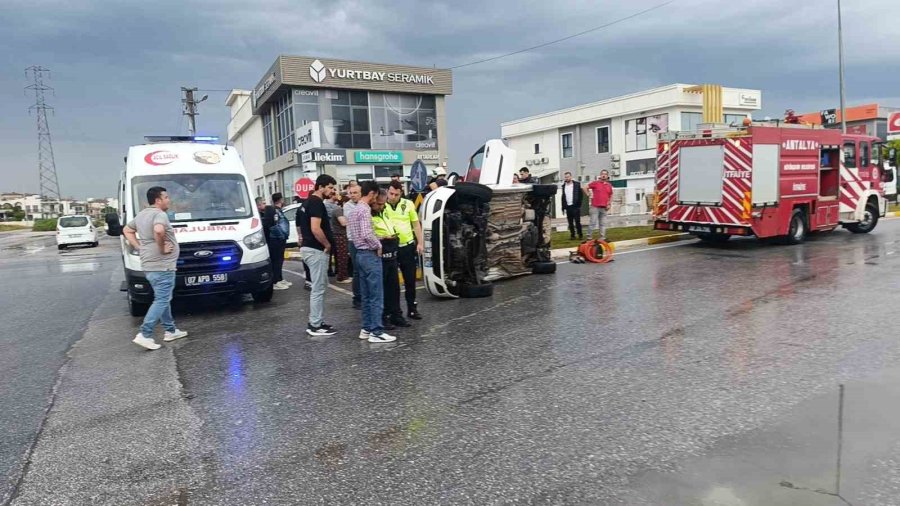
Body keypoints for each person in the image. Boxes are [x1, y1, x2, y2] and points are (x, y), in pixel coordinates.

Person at [122, 186, 188, 350]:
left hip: (150, 264)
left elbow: (126, 230)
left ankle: (170, 330)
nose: (168, 200)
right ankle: (145, 334)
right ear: (158, 200)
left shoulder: (142, 214)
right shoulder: (160, 214)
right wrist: (162, 248)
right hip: (162, 265)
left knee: (162, 298)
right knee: (162, 299)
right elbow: (159, 231)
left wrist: (139, 246)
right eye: (166, 197)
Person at [347, 181, 397, 343]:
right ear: (372, 193)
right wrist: (378, 245)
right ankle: (376, 330)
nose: (376, 199)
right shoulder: (365, 210)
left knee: (366, 295)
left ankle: (367, 328)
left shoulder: (354, 210)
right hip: (369, 255)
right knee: (376, 294)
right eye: (376, 195)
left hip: (359, 254)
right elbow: (368, 234)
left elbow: (358, 235)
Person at [296, 174, 338, 337]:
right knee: (318, 288)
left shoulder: (306, 203)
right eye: (330, 187)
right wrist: (327, 244)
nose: (332, 191)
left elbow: (300, 227)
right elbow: (315, 228)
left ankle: (317, 321)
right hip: (316, 250)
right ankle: (315, 325)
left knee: (319, 286)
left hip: (309, 249)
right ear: (321, 187)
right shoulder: (316, 202)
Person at [385, 181, 423, 320]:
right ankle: (395, 311)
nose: (393, 196)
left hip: (407, 246)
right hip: (390, 247)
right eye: (391, 193)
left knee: (410, 279)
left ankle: (412, 308)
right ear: (387, 192)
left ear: (401, 193)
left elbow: (416, 224)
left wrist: (420, 243)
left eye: (396, 194)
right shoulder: (383, 205)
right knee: (392, 282)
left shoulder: (408, 204)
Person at [371, 192, 409, 329]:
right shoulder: (368, 215)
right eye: (379, 203)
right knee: (382, 288)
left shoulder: (384, 211)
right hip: (379, 252)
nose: (382, 206)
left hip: (391, 251)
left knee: (394, 287)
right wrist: (382, 238)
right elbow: (368, 235)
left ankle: (396, 314)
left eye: (383, 203)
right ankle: (383, 316)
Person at [263, 193, 291, 290]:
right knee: (277, 260)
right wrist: (281, 236)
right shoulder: (274, 211)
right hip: (276, 239)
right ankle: (275, 281)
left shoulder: (278, 210)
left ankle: (279, 278)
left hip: (279, 239)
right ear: (281, 200)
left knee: (280, 260)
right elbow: (273, 226)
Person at [343, 185, 362, 309]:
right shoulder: (347, 206)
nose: (353, 195)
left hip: (365, 241)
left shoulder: (364, 204)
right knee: (357, 271)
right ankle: (357, 298)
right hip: (354, 241)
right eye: (351, 193)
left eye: (355, 192)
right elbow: (355, 219)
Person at [584, 170, 614, 240]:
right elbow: (585, 187)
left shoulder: (609, 185)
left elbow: (611, 194)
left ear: (607, 176)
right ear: (600, 175)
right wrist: (588, 194)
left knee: (603, 224)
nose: (603, 175)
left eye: (605, 174)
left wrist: (609, 204)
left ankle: (602, 238)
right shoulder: (595, 183)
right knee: (593, 223)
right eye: (602, 174)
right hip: (595, 207)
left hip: (604, 208)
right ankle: (589, 237)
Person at [329, 192, 351, 283]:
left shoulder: (341, 210)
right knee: (342, 257)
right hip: (339, 236)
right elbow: (343, 223)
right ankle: (341, 277)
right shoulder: (338, 210)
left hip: (342, 236)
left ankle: (343, 275)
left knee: (343, 257)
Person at [561, 172, 584, 240]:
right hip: (568, 206)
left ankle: (580, 235)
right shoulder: (564, 186)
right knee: (570, 222)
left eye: (568, 177)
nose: (567, 178)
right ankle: (572, 235)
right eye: (565, 177)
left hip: (575, 206)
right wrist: (563, 207)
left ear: (571, 177)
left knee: (577, 222)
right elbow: (563, 197)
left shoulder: (576, 184)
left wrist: (579, 204)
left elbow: (580, 195)